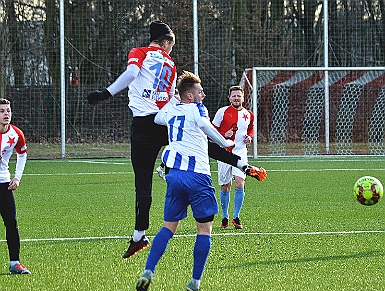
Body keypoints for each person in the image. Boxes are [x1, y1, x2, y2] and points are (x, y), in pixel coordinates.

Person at [87, 21, 266, 259]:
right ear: (167, 41)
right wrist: (186, 115)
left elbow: (131, 74)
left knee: (143, 182)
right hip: (166, 121)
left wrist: (106, 93)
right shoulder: (170, 64)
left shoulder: (139, 53)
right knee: (203, 145)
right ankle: (240, 164)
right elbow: (173, 96)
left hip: (143, 124)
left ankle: (139, 235)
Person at [136, 71, 234, 291]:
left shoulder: (171, 109)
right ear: (190, 96)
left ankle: (148, 271)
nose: (204, 94)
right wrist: (225, 141)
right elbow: (204, 125)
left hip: (175, 177)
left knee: (168, 228)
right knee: (204, 230)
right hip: (198, 176)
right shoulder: (197, 108)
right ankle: (194, 282)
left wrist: (172, 98)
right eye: (200, 91)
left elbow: (158, 118)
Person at [212, 86, 262, 229]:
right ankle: (225, 217)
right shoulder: (222, 112)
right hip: (224, 152)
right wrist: (223, 134)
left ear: (243, 98)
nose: (236, 98)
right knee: (225, 186)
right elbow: (212, 129)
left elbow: (251, 128)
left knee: (240, 183)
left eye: (238, 96)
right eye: (233, 96)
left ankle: (236, 217)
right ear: (229, 98)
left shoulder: (249, 114)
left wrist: (249, 137)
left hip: (240, 152)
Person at [0, 98, 30, 274]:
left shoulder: (16, 134)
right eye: (2, 111)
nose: (6, 114)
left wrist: (17, 178)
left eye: (8, 111)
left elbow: (22, 154)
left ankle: (15, 264)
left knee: (11, 223)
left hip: (4, 185)